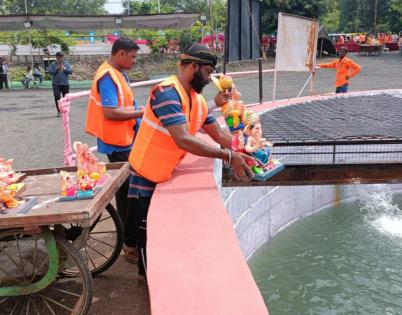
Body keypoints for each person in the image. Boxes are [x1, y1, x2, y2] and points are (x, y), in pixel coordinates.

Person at [127, 43, 255, 281]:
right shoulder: (165, 93)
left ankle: (134, 251)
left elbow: (219, 135)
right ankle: (144, 278)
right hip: (146, 173)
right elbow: (183, 139)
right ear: (193, 66)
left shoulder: (196, 99)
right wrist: (228, 156)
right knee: (146, 234)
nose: (208, 80)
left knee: (154, 231)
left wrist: (246, 143)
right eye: (207, 73)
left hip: (165, 171)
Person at [85, 38, 144, 264]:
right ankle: (129, 245)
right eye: (132, 57)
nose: (134, 61)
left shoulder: (118, 73)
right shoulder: (108, 76)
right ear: (121, 54)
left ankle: (129, 240)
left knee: (127, 192)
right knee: (128, 194)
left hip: (125, 140)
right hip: (118, 144)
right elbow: (110, 113)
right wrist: (141, 113)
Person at [49, 52, 72, 117]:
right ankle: (59, 111)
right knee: (57, 97)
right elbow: (50, 72)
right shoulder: (53, 64)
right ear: (56, 57)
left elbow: (70, 71)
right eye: (58, 58)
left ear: (63, 57)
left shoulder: (66, 63)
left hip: (65, 84)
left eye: (60, 58)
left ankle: (66, 111)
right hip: (56, 84)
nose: (59, 59)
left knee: (66, 98)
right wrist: (57, 69)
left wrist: (64, 68)